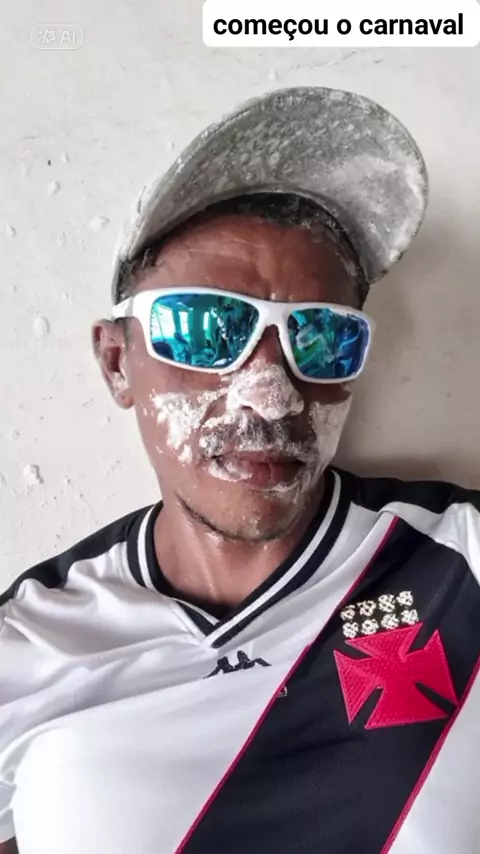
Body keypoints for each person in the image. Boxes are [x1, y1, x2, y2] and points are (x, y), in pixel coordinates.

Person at [1, 87, 479, 854]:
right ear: (117, 363)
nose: (271, 394)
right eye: (206, 329)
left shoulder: (460, 560)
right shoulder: (29, 646)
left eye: (321, 338)